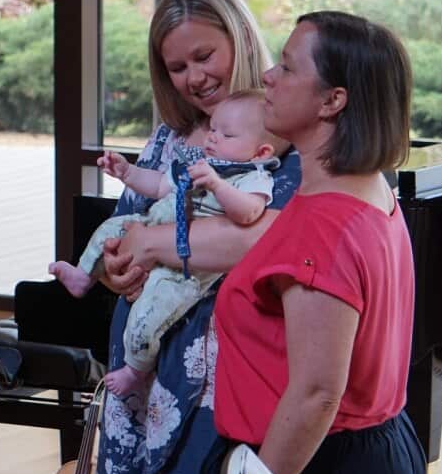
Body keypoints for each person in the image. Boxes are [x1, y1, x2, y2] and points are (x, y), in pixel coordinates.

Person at [85, 0, 301, 474]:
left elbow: (260, 241)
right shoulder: (169, 139)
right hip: (146, 353)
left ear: (240, 38)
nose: (195, 77)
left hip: (225, 366)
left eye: (205, 56)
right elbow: (127, 227)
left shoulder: (280, 138)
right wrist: (114, 269)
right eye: (177, 67)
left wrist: (152, 244)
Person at [211, 11, 425, 474]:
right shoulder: (369, 188)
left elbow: (316, 395)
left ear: (333, 100)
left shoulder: (323, 228)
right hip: (381, 451)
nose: (267, 76)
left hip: (323, 472)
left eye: (286, 67)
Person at [49, 90, 286, 399]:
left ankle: (136, 369)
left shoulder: (252, 177)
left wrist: (216, 184)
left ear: (260, 152)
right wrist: (128, 172)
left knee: (150, 312)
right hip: (152, 225)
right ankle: (83, 276)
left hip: (185, 270)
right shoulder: (201, 162)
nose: (213, 138)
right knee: (110, 228)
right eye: (213, 129)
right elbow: (160, 185)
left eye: (226, 134)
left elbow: (249, 213)